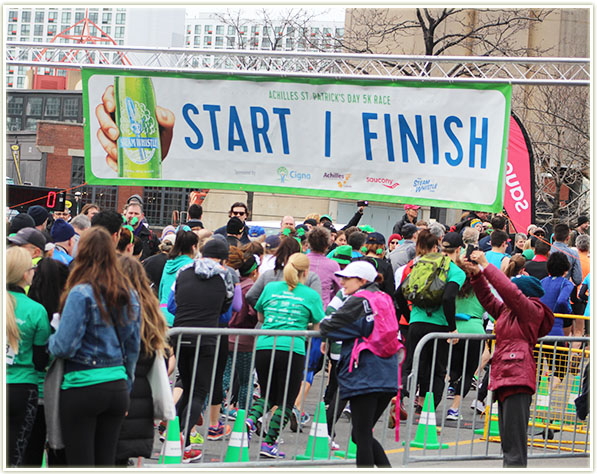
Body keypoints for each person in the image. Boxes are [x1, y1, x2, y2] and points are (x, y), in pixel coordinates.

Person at [48, 227, 141, 466]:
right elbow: (132, 348)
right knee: (105, 463)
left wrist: (50, 339)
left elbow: (64, 346)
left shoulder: (80, 293)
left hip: (82, 385)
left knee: (80, 463)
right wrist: (127, 384)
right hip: (117, 385)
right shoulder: (128, 294)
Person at [465, 250, 554, 468]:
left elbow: (509, 292)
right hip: (506, 377)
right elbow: (488, 299)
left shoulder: (531, 310)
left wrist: (486, 266)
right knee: (509, 444)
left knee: (514, 447)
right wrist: (476, 276)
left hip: (517, 378)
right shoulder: (508, 312)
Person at [246, 253, 325, 459]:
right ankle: (269, 443)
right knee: (287, 400)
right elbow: (317, 326)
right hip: (292, 348)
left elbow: (261, 316)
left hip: (265, 345)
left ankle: (249, 421)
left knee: (268, 395)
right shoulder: (310, 295)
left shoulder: (271, 288)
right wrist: (303, 323)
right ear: (306, 272)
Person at [320, 260, 398, 468]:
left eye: (347, 278)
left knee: (361, 435)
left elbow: (330, 325)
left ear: (362, 280)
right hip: (388, 373)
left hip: (365, 374)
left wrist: (322, 325)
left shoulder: (359, 301)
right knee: (359, 433)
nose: (342, 282)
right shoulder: (384, 298)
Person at [168, 235, 234, 463]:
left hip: (179, 334)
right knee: (199, 391)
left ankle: (173, 435)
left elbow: (173, 300)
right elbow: (228, 305)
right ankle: (181, 441)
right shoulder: (225, 275)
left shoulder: (184, 270)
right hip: (206, 337)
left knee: (186, 385)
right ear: (223, 259)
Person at [396, 231, 464, 411]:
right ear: (459, 250)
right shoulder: (455, 270)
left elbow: (399, 294)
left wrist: (411, 317)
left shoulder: (422, 264)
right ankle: (426, 410)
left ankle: (399, 398)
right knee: (437, 369)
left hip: (417, 322)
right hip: (439, 325)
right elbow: (448, 298)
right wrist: (452, 328)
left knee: (411, 364)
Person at [115, 255, 169, 466]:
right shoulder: (151, 312)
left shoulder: (114, 309)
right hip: (141, 396)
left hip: (117, 389)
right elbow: (162, 357)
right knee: (122, 457)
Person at [6, 247, 51, 467]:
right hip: (23, 388)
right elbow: (40, 360)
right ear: (25, 274)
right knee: (16, 454)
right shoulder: (36, 310)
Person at [24, 258, 69, 467]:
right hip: (57, 392)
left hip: (29, 389)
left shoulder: (28, 308)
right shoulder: (65, 312)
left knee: (28, 454)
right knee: (58, 453)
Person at [246, 236, 322, 307]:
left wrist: (265, 309)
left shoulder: (268, 275)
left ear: (279, 252)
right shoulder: (310, 277)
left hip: (270, 319)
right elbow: (317, 302)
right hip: (298, 319)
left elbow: (250, 296)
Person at [539, 252, 575, 384]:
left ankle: (533, 401)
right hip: (556, 330)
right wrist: (568, 312)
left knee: (536, 369)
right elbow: (561, 301)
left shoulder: (542, 281)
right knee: (560, 370)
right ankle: (547, 396)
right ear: (566, 268)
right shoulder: (566, 284)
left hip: (539, 329)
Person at [159, 227, 198, 327]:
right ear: (194, 247)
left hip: (162, 313)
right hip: (177, 315)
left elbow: (161, 288)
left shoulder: (169, 263)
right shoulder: (192, 266)